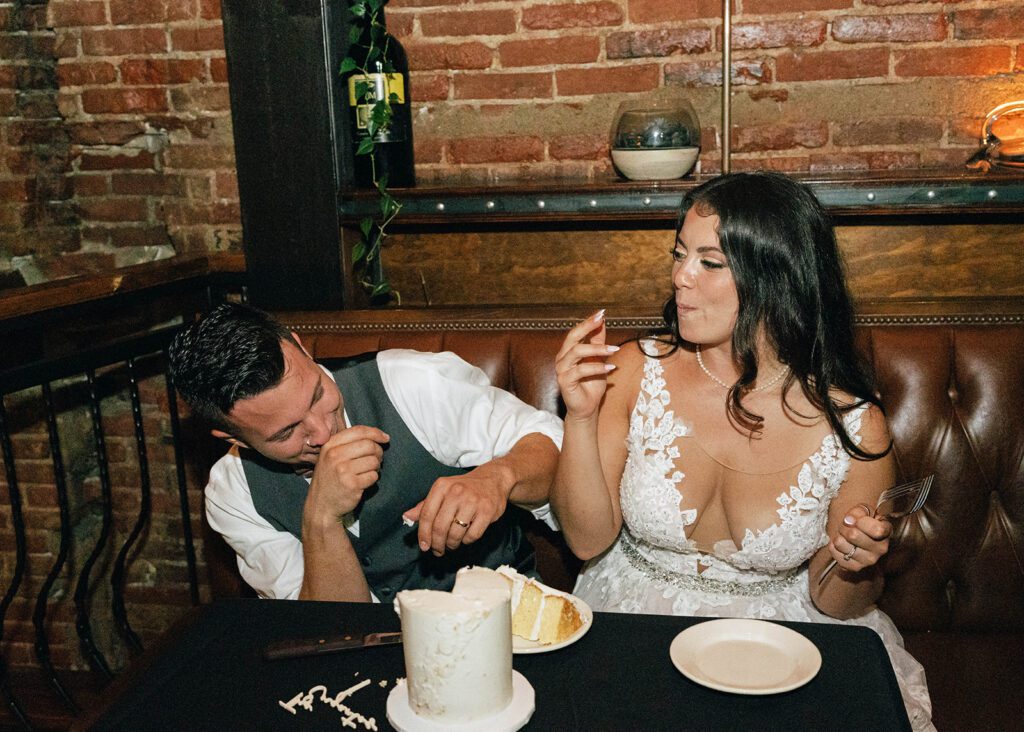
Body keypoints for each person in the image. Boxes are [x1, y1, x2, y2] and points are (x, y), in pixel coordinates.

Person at [552, 172, 933, 729]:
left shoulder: (855, 427)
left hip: (783, 646)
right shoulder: (634, 371)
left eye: (710, 262)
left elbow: (838, 603)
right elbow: (586, 540)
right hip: (632, 622)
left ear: (775, 276)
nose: (680, 277)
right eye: (680, 254)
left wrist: (857, 563)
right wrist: (580, 420)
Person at [168, 302, 562, 603]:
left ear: (301, 348)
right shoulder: (234, 496)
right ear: (231, 437)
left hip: (509, 624)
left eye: (318, 393)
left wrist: (498, 477)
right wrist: (322, 517)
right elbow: (331, 629)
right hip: (369, 663)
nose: (323, 432)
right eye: (287, 432)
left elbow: (551, 444)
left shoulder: (410, 384)